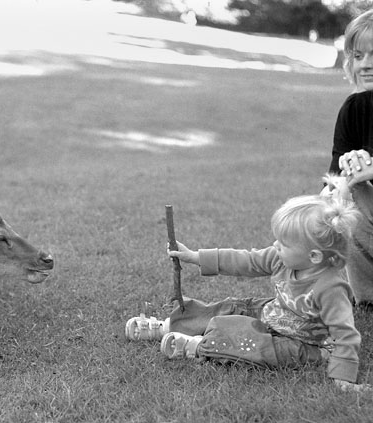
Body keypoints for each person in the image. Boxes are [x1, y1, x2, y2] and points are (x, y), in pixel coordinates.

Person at [126, 195, 370, 392]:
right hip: (273, 313)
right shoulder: (281, 259)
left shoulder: (331, 288)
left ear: (314, 257)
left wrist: (344, 375)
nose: (275, 245)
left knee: (256, 345)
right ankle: (169, 325)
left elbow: (345, 334)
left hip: (303, 342)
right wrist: (196, 257)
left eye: (283, 243)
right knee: (231, 306)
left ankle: (199, 346)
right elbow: (246, 260)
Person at [329, 9, 373, 306]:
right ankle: (368, 295)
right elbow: (330, 184)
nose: (365, 65)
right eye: (358, 56)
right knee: (346, 196)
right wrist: (346, 176)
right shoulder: (354, 108)